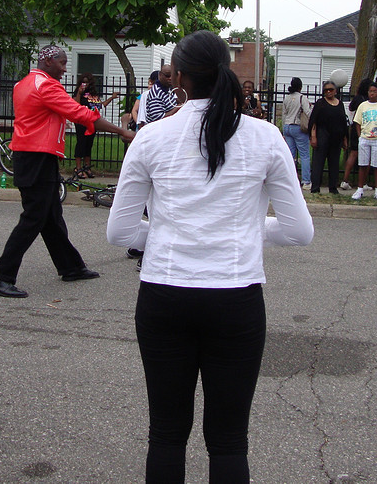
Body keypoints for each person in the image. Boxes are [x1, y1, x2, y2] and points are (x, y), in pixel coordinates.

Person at [106, 30, 313, 484]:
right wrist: (241, 234)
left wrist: (162, 234)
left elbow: (119, 232)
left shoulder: (151, 138)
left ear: (177, 77)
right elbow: (300, 231)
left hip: (164, 295)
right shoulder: (265, 137)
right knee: (228, 440)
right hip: (235, 299)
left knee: (165, 434)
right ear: (228, 72)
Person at [0, 46, 134, 298]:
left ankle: (70, 267)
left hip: (32, 156)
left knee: (51, 215)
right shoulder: (46, 86)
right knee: (34, 216)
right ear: (48, 61)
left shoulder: (24, 83)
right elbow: (80, 114)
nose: (66, 69)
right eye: (62, 63)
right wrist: (122, 131)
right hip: (36, 157)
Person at [72, 72, 120, 178]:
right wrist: (79, 93)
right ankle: (78, 168)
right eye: (83, 82)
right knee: (81, 142)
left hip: (92, 121)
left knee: (89, 144)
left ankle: (87, 167)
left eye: (87, 82)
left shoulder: (93, 94)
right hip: (81, 121)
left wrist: (112, 97)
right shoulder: (78, 92)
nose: (85, 84)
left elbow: (101, 105)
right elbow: (76, 106)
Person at [351, 82, 377, 201]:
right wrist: (360, 136)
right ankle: (360, 189)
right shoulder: (363, 105)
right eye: (370, 91)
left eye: (374, 91)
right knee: (362, 164)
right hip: (364, 138)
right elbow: (357, 121)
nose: (372, 93)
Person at [309, 80, 349, 194]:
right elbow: (313, 121)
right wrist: (313, 137)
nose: (328, 92)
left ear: (335, 91)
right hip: (322, 136)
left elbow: (343, 122)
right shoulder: (320, 103)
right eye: (326, 90)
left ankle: (333, 187)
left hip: (336, 138)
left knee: (334, 163)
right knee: (318, 163)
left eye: (331, 89)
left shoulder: (340, 104)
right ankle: (315, 187)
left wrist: (345, 139)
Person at [339, 78, 372, 191]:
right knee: (367, 156)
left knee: (353, 154)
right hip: (368, 128)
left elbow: (351, 108)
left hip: (355, 127)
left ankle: (345, 179)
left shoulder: (357, 99)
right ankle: (363, 182)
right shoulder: (371, 100)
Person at [281, 77, 312, 188]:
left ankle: (290, 179)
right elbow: (308, 112)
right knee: (304, 155)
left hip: (287, 126)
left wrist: (283, 129)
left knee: (290, 155)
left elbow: (284, 114)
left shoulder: (287, 98)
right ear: (300, 87)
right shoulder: (302, 98)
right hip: (298, 126)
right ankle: (306, 181)